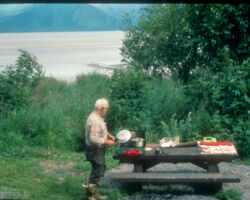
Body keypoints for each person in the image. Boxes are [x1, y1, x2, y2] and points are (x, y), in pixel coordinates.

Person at [83, 98, 115, 200]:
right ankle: (90, 196)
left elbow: (98, 131)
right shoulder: (95, 120)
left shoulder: (96, 116)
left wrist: (108, 135)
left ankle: (95, 195)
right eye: (106, 109)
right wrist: (107, 141)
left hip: (95, 150)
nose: (107, 111)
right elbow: (93, 138)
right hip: (94, 150)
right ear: (102, 109)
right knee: (98, 171)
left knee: (98, 170)